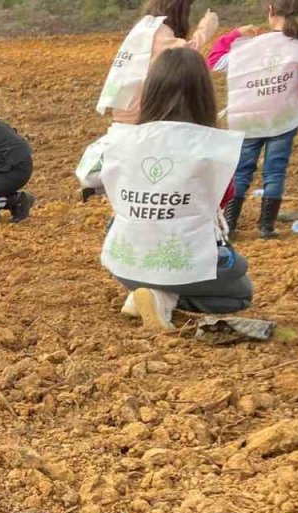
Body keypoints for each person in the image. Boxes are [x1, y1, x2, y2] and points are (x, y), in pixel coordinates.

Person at [78, 48, 251, 334]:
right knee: (240, 287)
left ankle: (143, 293)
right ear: (204, 95)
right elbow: (224, 197)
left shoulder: (122, 140)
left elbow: (87, 174)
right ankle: (164, 296)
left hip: (125, 263)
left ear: (151, 92)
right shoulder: (213, 147)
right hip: (184, 262)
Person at [208, 0, 298, 238]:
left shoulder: (249, 47)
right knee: (275, 172)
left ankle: (229, 225)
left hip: (249, 119)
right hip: (283, 119)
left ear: (271, 10)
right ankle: (267, 228)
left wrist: (233, 34)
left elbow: (215, 61)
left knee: (241, 171)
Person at [97, 1, 221, 123]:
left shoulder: (145, 27)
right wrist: (205, 30)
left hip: (125, 108)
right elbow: (181, 54)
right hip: (138, 114)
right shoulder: (158, 31)